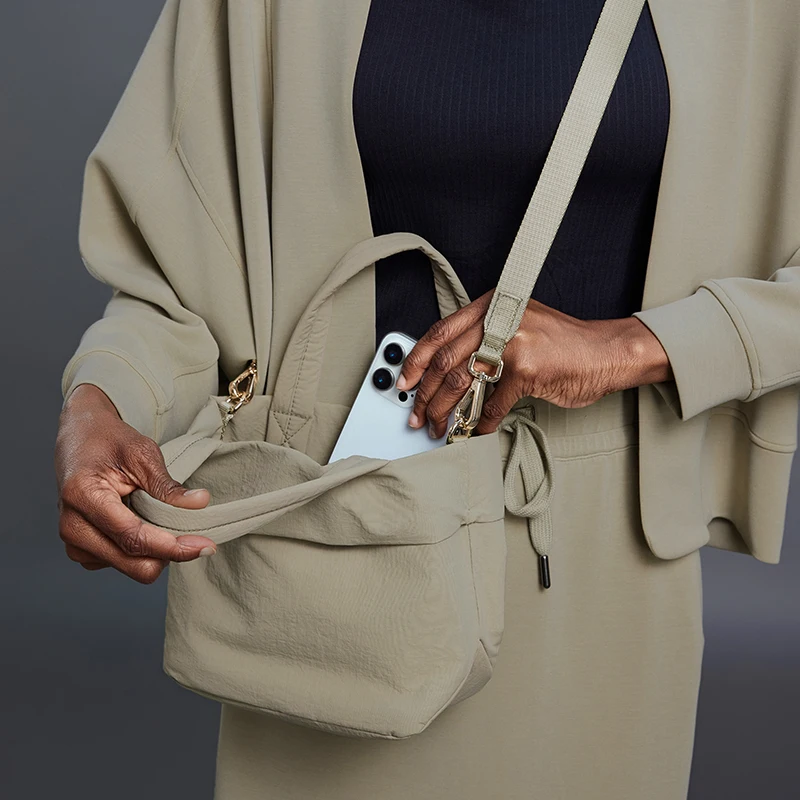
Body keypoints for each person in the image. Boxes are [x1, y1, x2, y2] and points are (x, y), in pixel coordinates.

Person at [55, 1, 800, 798]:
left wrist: (629, 346)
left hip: (604, 562)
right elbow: (170, 287)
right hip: (339, 537)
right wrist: (98, 404)